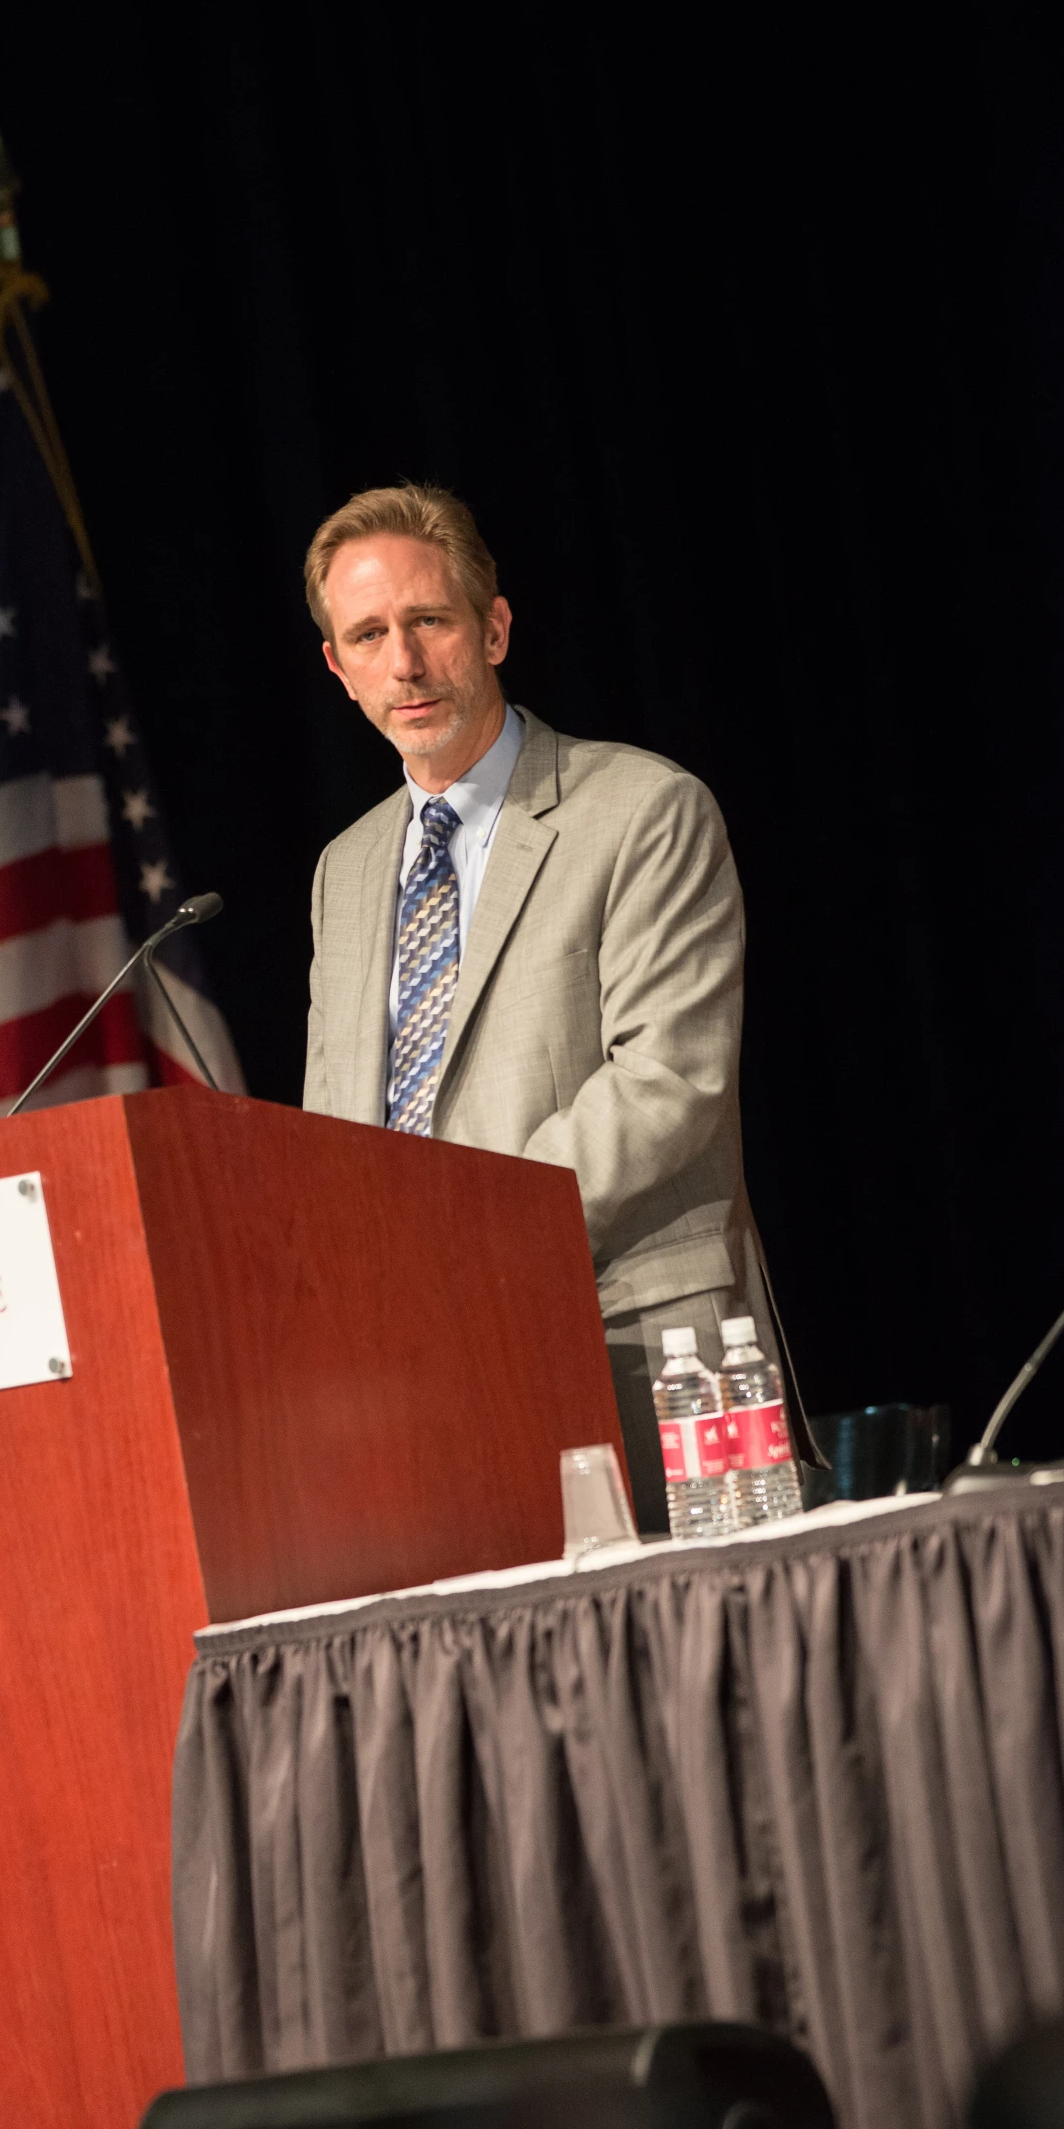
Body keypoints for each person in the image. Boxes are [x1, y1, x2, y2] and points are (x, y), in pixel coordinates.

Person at [302, 482, 787, 1530]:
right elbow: (336, 1130)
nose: (406, 663)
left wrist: (463, 1234)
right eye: (369, 635)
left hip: (640, 1346)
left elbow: (668, 1079)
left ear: (492, 625)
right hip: (423, 1382)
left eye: (428, 621)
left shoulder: (642, 810)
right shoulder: (342, 874)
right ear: (337, 669)